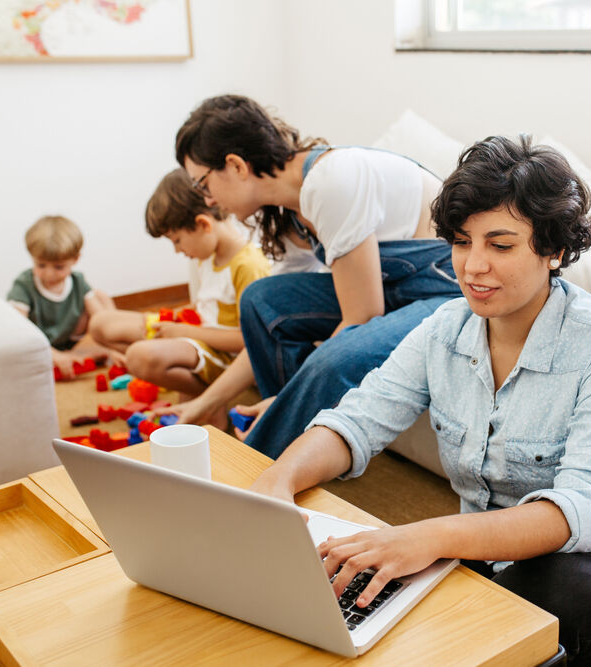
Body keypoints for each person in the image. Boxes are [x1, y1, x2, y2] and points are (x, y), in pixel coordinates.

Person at [249, 135, 591, 666]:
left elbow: (583, 510)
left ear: (555, 250)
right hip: (487, 564)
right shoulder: (445, 327)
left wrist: (429, 537)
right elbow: (356, 419)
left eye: (500, 245)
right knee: (365, 589)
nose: (472, 267)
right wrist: (278, 479)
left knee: (567, 586)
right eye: (461, 242)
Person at [169, 94, 462, 455]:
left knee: (337, 359)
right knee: (261, 301)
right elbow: (270, 321)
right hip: (396, 290)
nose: (208, 200)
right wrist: (206, 402)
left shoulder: (331, 180)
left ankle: (263, 463)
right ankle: (293, 436)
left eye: (203, 184)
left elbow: (362, 317)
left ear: (236, 165)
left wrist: (282, 401)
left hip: (444, 293)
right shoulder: (287, 210)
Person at [89, 169, 270, 405]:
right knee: (101, 324)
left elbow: (250, 341)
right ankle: (191, 385)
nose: (177, 250)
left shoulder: (248, 265)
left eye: (177, 240)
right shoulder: (208, 257)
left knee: (139, 356)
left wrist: (183, 332)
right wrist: (177, 320)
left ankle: (210, 401)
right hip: (198, 333)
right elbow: (208, 306)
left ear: (203, 224)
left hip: (227, 356)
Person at [8, 215, 117, 380]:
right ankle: (57, 358)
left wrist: (114, 349)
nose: (49, 273)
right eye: (41, 265)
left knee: (100, 298)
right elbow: (17, 330)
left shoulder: (77, 281)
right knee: (16, 327)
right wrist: (54, 356)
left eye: (58, 267)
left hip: (65, 341)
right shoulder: (24, 285)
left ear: (75, 259)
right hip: (34, 346)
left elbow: (101, 320)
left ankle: (70, 355)